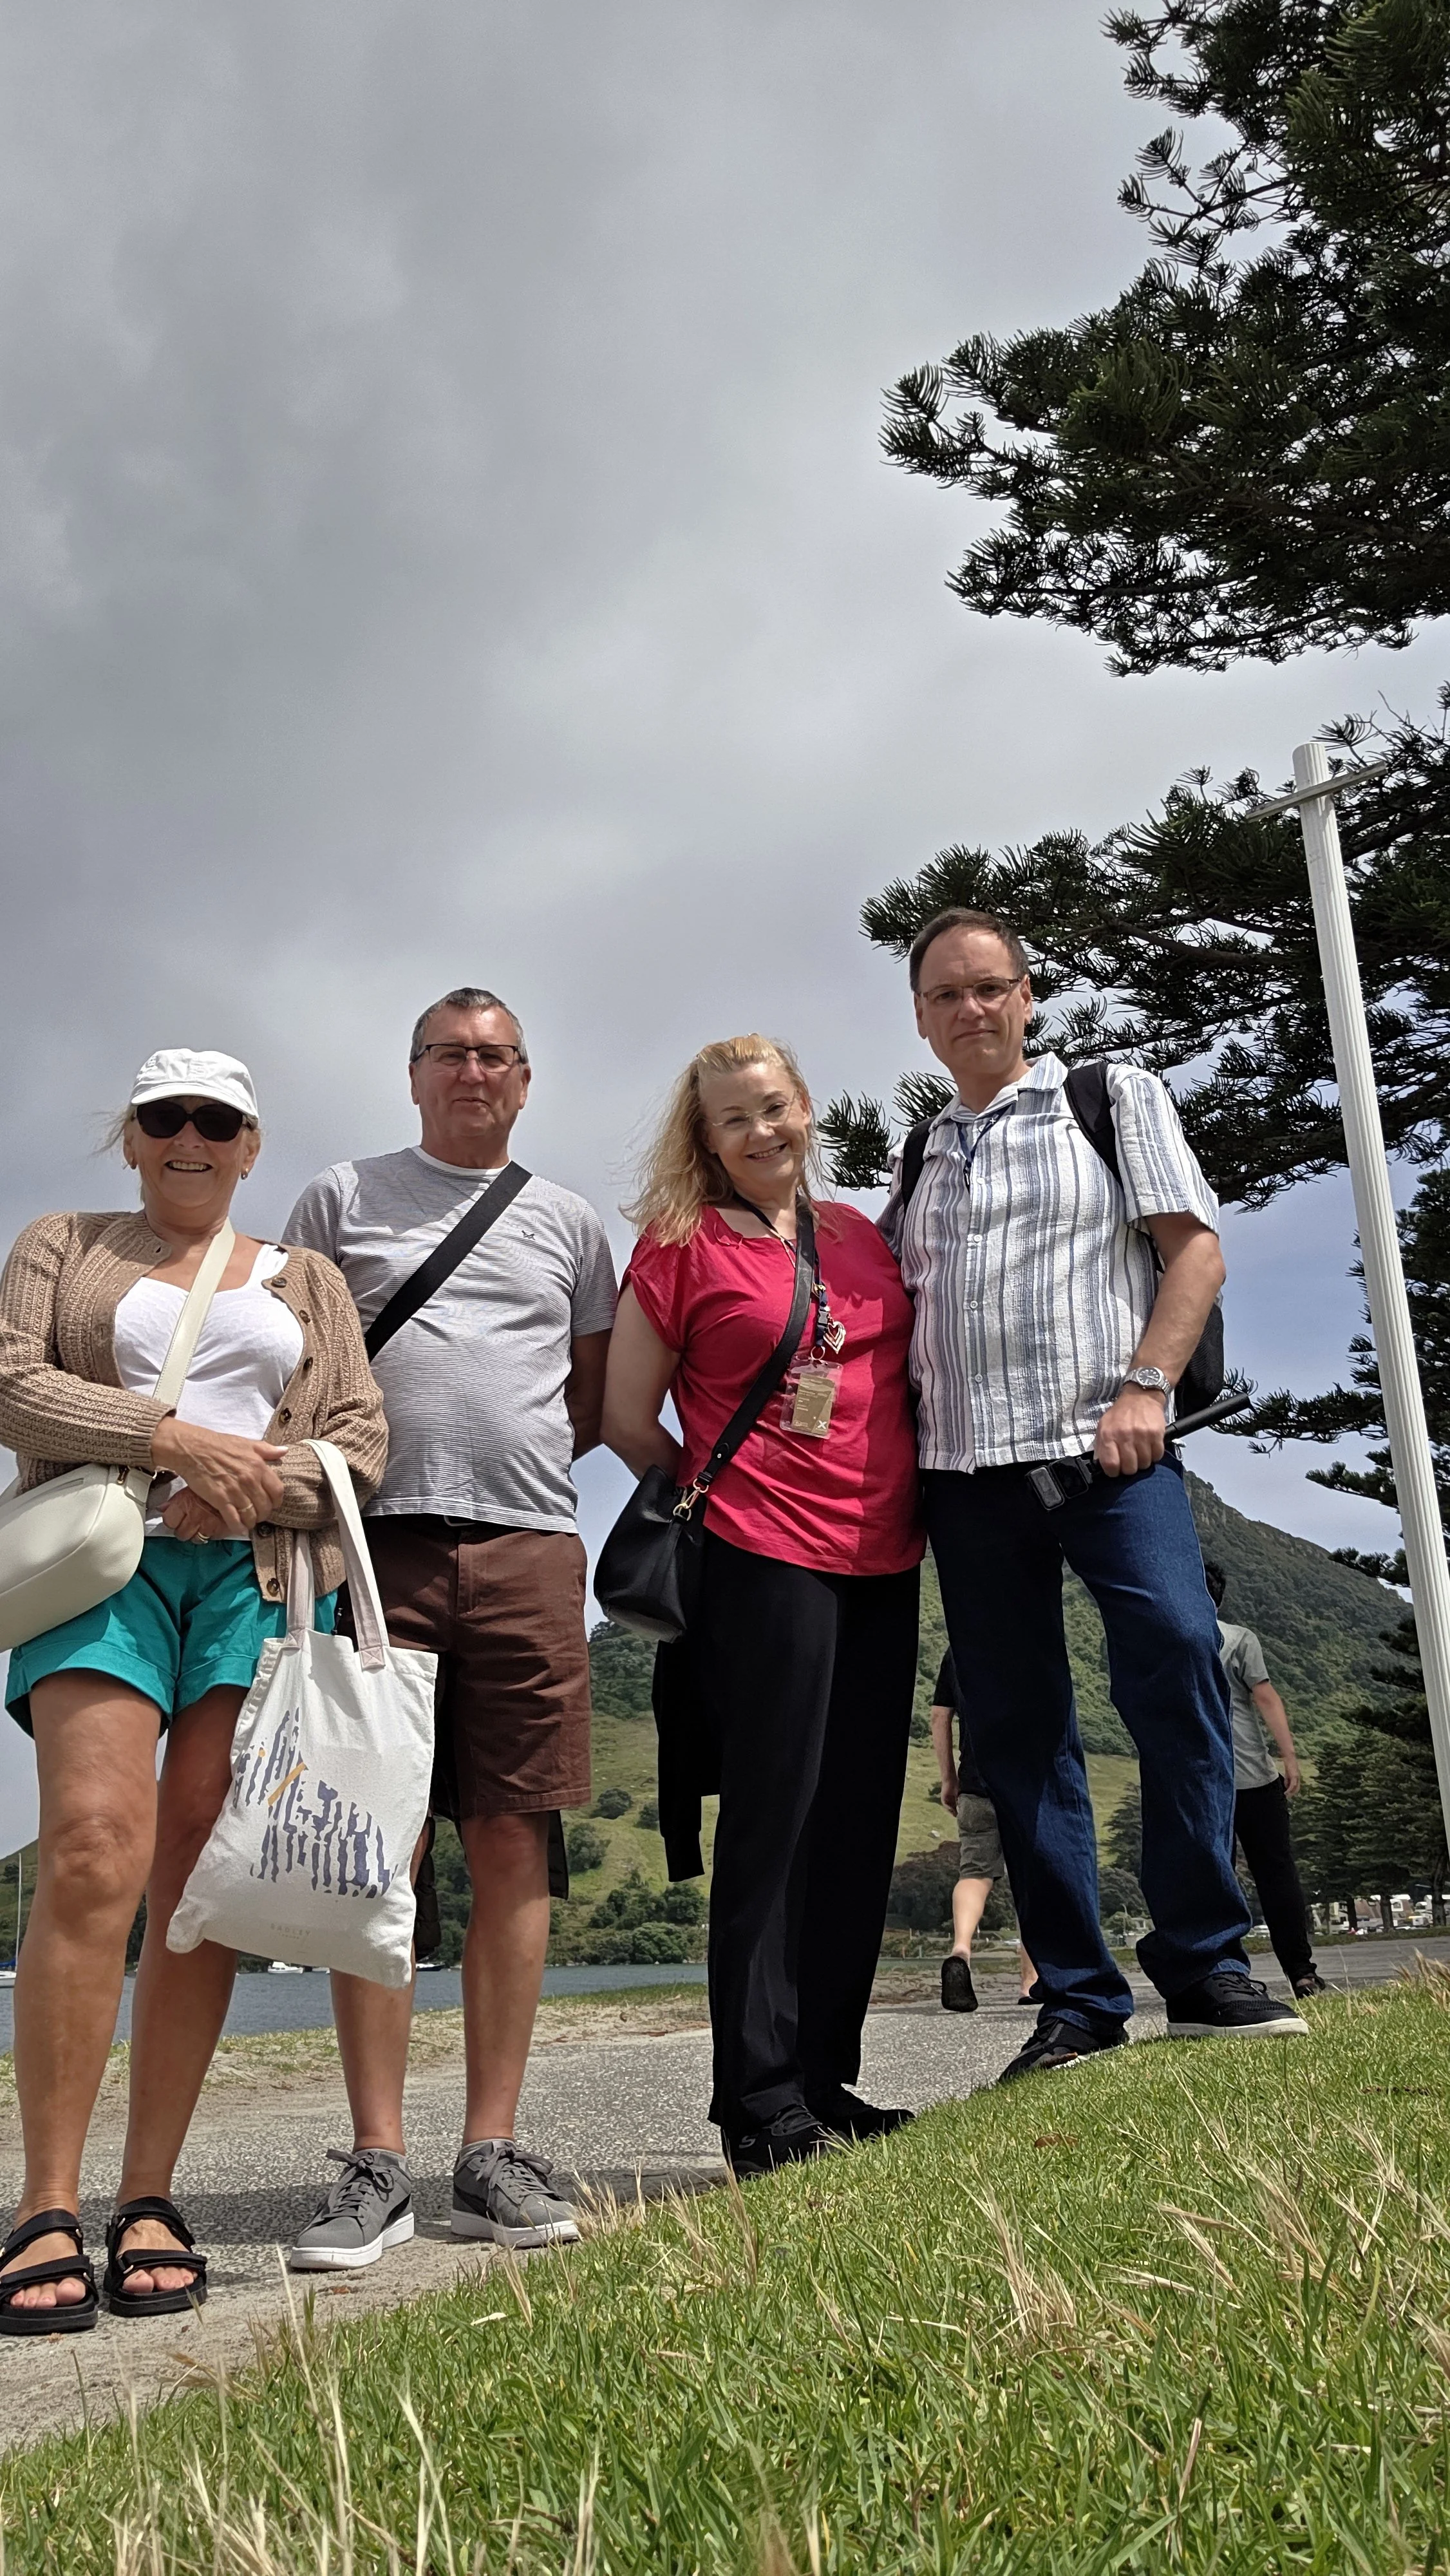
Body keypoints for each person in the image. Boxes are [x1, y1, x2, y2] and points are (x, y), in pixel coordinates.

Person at [883, 907, 1306, 2082]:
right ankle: (1074, 1997)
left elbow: (1196, 1251)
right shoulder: (921, 1153)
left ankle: (1205, 1961)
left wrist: (1145, 1387)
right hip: (965, 1475)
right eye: (945, 996)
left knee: (1175, 1660)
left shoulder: (1108, 1099)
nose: (970, 1010)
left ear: (1027, 996)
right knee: (1016, 1734)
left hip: (1110, 1450)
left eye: (989, 987)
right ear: (920, 1022)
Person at [0, 1049, 386, 2332]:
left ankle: (147, 2192)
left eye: (216, 1120)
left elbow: (356, 1446)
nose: (189, 1137)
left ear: (249, 1144)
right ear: (132, 1138)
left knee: (200, 1880)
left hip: (256, 1583)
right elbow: (13, 1383)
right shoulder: (63, 1241)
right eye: (165, 1117)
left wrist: (246, 1483)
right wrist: (169, 1437)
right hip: (99, 1565)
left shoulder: (306, 1278)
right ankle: (42, 2200)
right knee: (94, 1851)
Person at [281, 987, 617, 2268]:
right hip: (373, 1545)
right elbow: (295, 1364)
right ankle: (376, 2158)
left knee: (513, 1839)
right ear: (412, 1072)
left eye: (496, 1055)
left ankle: (491, 2147)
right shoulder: (339, 1197)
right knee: (375, 1845)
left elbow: (581, 1394)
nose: (473, 1070)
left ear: (525, 1079)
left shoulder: (570, 1222)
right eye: (450, 1053)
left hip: (530, 1545)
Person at [601, 1034, 924, 2178]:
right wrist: (714, 1492)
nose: (758, 1133)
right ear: (705, 1140)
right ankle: (758, 2097)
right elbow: (627, 1414)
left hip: (883, 1555)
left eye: (772, 1108)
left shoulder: (856, 1235)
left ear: (806, 1109)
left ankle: (826, 2078)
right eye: (731, 1120)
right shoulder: (678, 1247)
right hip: (761, 1553)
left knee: (855, 1822)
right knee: (774, 1825)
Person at [1202, 1560, 1326, 1999]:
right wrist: (1289, 1757)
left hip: (1202, 1784)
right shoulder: (1239, 1639)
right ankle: (1302, 1973)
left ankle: (1222, 1973)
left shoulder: (1173, 1642)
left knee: (1214, 1877)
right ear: (1220, 1596)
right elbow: (1266, 1697)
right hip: (1255, 1777)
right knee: (1276, 1873)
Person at [929, 1649, 1036, 2011]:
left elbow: (940, 1717)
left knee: (974, 1873)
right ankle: (1030, 1984)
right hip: (1025, 1787)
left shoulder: (956, 1650)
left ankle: (961, 1950)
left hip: (975, 1784)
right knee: (1029, 1880)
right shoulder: (1028, 1634)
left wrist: (949, 1779)